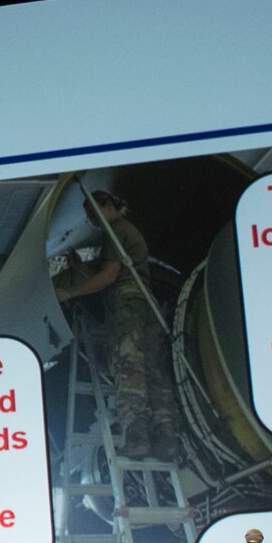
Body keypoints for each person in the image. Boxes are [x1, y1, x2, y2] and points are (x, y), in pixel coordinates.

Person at [53, 189, 181, 461]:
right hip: (148, 304)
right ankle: (167, 436)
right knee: (154, 369)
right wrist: (80, 269)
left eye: (93, 213)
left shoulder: (115, 232)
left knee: (128, 365)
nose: (93, 221)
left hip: (127, 305)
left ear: (108, 205)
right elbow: (113, 271)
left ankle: (138, 438)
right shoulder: (129, 231)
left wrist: (71, 292)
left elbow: (110, 277)